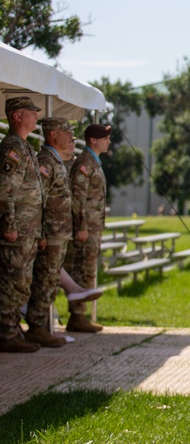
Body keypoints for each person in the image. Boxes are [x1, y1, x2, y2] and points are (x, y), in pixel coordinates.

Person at [24, 116, 77, 348]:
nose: (71, 137)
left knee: (51, 280)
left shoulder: (55, 160)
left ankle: (42, 328)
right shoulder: (45, 161)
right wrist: (43, 233)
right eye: (66, 132)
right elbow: (38, 200)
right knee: (44, 281)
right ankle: (37, 328)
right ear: (53, 134)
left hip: (59, 233)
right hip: (50, 234)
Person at [0, 97, 43, 353]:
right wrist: (9, 224)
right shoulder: (12, 148)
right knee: (11, 282)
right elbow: (4, 191)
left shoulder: (23, 146)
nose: (36, 116)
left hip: (27, 230)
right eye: (31, 112)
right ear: (17, 116)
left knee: (21, 282)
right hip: (15, 230)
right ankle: (6, 334)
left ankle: (13, 330)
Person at [65, 123, 111, 333]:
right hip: (86, 227)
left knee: (88, 268)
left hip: (94, 226)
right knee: (82, 269)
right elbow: (78, 195)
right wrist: (81, 226)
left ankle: (80, 315)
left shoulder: (93, 162)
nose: (108, 141)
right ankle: (77, 315)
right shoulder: (84, 163)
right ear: (93, 139)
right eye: (105, 137)